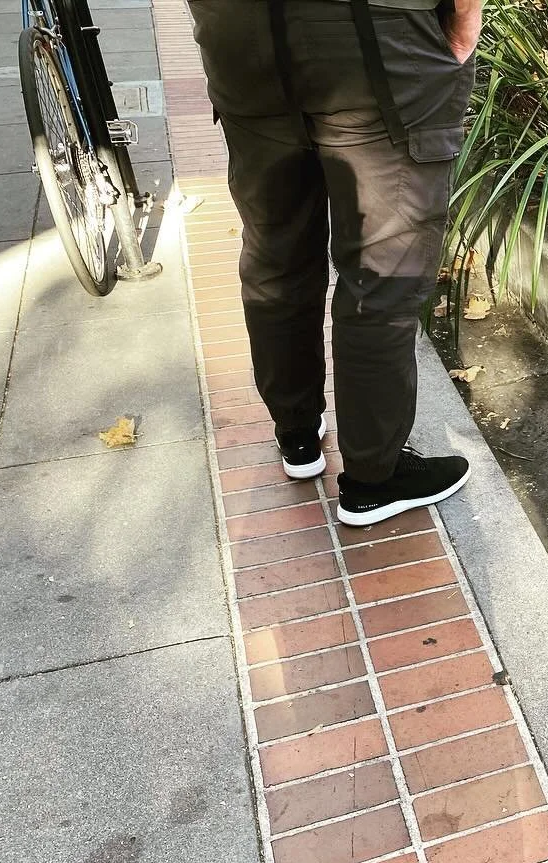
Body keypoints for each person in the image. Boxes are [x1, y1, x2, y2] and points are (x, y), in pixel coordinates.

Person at [187, 0, 483, 526]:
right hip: (374, 43)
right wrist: (462, 27)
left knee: (276, 252)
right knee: (382, 272)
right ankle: (373, 479)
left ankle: (298, 437)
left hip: (238, 37)